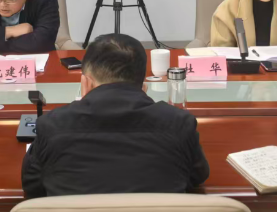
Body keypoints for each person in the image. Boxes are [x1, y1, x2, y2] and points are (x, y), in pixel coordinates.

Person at [22, 33, 209, 197]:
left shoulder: (52, 126)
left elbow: (32, 186)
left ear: (86, 84)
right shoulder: (179, 124)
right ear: (144, 87)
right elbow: (196, 177)